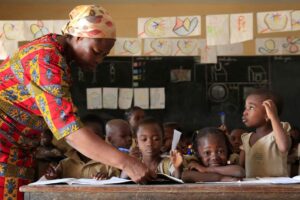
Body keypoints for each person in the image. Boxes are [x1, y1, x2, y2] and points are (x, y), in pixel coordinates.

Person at [0, 5, 153, 200]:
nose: (99, 60)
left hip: (16, 151)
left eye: (104, 55)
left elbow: (59, 126)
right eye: (96, 51)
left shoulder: (58, 58)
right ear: (79, 37)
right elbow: (69, 130)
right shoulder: (45, 59)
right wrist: (126, 163)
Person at [240, 89, 291, 178]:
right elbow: (240, 168)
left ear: (268, 114)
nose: (245, 112)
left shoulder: (279, 133)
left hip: (278, 189)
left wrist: (273, 117)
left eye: (251, 107)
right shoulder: (246, 138)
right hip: (252, 189)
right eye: (245, 108)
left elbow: (283, 147)